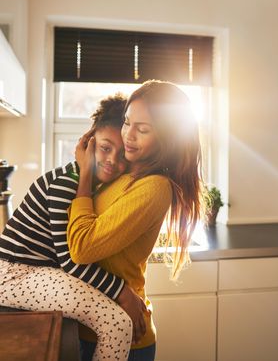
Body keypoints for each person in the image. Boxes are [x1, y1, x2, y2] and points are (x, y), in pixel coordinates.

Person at [0, 93, 147, 361]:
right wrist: (123, 292)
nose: (112, 160)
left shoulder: (93, 184)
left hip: (38, 271)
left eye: (122, 154)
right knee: (117, 323)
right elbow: (71, 260)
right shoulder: (65, 184)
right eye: (105, 147)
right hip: (15, 275)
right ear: (89, 141)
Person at [67, 79, 202, 361]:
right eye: (127, 122)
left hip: (122, 338)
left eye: (142, 129)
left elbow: (81, 247)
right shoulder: (126, 170)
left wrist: (84, 175)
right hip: (93, 326)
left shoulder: (155, 187)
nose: (128, 135)